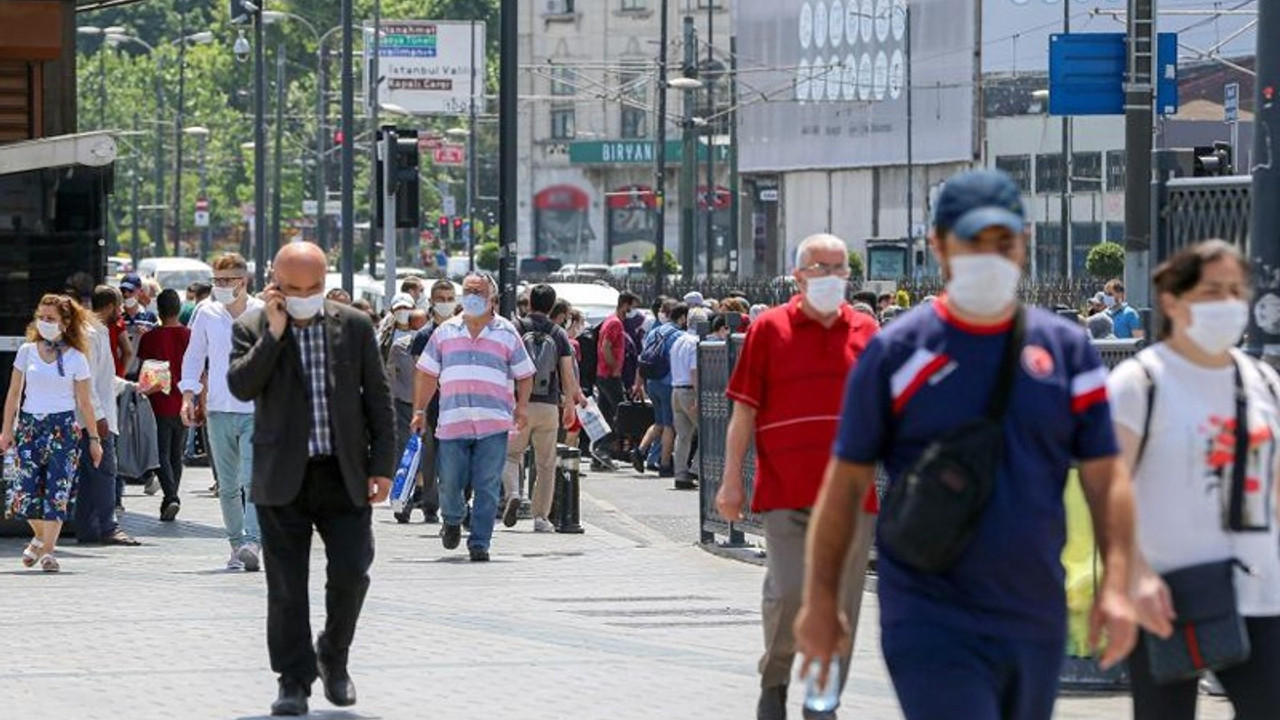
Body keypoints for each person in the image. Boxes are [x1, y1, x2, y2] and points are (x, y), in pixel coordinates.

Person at [795, 169, 1138, 720]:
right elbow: (845, 483)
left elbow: (1107, 478)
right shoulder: (895, 354)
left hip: (1034, 611)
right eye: (973, 241)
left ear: (1024, 243)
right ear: (939, 246)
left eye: (1003, 242)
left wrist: (1119, 583)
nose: (990, 256)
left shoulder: (1067, 350)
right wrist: (820, 600)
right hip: (930, 613)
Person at [1108, 240, 1280, 720]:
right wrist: (1135, 576)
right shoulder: (1140, 382)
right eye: (1210, 291)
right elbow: (1109, 488)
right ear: (1172, 300)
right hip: (1168, 593)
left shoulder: (1263, 382)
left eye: (1235, 291)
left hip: (1259, 590)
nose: (1226, 303)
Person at [715, 233, 879, 720]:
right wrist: (730, 480)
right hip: (786, 491)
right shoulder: (769, 329)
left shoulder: (867, 332)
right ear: (799, 275)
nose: (830, 277)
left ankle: (821, 698)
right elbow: (743, 411)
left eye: (838, 269)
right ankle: (776, 679)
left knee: (842, 605)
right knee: (788, 594)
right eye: (819, 268)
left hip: (851, 497)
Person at [227, 242, 394, 716]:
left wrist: (383, 467)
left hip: (343, 474)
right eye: (293, 288)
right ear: (275, 283)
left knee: (351, 571)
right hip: (282, 477)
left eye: (314, 287)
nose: (305, 296)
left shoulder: (355, 326)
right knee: (285, 585)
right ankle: (293, 680)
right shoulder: (252, 327)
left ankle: (333, 656)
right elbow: (241, 385)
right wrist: (275, 334)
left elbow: (378, 400)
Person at [412, 272, 534, 561]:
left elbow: (525, 374)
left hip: (493, 422)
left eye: (478, 292)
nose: (472, 297)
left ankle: (480, 542)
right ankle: (453, 519)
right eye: (467, 291)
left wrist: (522, 407)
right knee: (450, 481)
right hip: (453, 422)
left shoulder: (506, 331)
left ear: (492, 297)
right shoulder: (445, 332)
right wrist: (419, 410)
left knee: (487, 485)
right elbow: (427, 373)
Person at [0, 295, 103, 572]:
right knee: (22, 493)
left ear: (65, 323)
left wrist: (94, 439)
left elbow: (85, 403)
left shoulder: (77, 358)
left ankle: (48, 552)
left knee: (57, 491)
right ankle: (39, 537)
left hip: (64, 428)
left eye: (51, 319)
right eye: (41, 318)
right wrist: (6, 430)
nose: (44, 323)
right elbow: (13, 394)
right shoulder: (27, 351)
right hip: (30, 426)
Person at [181, 253, 265, 571]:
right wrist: (188, 396)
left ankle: (253, 542)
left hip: (256, 409)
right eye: (216, 281)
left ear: (242, 281)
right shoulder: (206, 312)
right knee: (228, 484)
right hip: (217, 407)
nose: (220, 286)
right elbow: (194, 357)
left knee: (251, 479)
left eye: (226, 281)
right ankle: (236, 544)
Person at [503, 284, 584, 533]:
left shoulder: (516, 327)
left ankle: (514, 493)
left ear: (529, 302)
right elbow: (567, 372)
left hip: (519, 403)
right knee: (546, 464)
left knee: (510, 456)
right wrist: (569, 404)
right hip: (548, 406)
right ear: (551, 306)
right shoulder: (558, 333)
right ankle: (541, 517)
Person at [75, 285, 139, 546]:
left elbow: (102, 379)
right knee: (105, 473)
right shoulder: (91, 335)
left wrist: (133, 387)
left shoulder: (97, 333)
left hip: (95, 414)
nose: (122, 311)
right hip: (95, 419)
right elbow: (86, 382)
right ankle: (107, 526)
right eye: (120, 306)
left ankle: (88, 529)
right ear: (111, 306)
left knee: (92, 476)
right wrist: (99, 418)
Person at [404, 279, 460, 523]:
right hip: (431, 406)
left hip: (456, 406)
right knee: (429, 458)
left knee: (455, 459)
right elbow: (419, 375)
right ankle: (430, 505)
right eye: (441, 299)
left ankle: (456, 502)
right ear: (431, 301)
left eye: (450, 299)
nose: (446, 304)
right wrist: (419, 408)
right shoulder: (424, 336)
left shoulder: (461, 333)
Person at [136, 289, 191, 520]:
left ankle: (171, 497)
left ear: (158, 310)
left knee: (160, 454)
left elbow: (143, 370)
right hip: (184, 402)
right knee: (176, 455)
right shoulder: (190, 335)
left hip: (158, 403)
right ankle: (171, 495)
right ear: (179, 309)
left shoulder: (151, 337)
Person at [387, 307, 429, 521]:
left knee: (405, 453)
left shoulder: (398, 346)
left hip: (405, 403)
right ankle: (419, 496)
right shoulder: (432, 343)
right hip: (424, 404)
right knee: (426, 452)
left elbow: (391, 376)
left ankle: (405, 500)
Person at [633, 300, 684, 477]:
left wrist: (638, 383)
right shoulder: (679, 335)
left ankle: (640, 451)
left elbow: (643, 358)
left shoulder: (655, 331)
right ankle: (664, 464)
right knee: (669, 425)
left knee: (659, 422)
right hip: (668, 382)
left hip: (652, 382)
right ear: (683, 317)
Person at [595, 291, 641, 462]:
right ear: (625, 305)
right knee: (620, 413)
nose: (632, 311)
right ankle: (604, 447)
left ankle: (600, 451)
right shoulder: (615, 323)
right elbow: (606, 347)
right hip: (609, 375)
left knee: (606, 413)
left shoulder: (611, 321)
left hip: (604, 374)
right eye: (632, 306)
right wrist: (614, 366)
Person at [670, 307, 709, 490]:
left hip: (676, 390)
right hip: (690, 391)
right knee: (708, 433)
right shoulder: (696, 342)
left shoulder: (678, 340)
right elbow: (695, 371)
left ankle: (680, 474)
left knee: (683, 436)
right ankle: (695, 469)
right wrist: (699, 395)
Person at [119, 273, 157, 377]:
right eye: (123, 291)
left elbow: (156, 348)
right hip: (120, 373)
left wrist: (148, 337)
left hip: (141, 374)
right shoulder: (116, 316)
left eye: (130, 291)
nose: (126, 294)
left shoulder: (149, 318)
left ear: (139, 292)